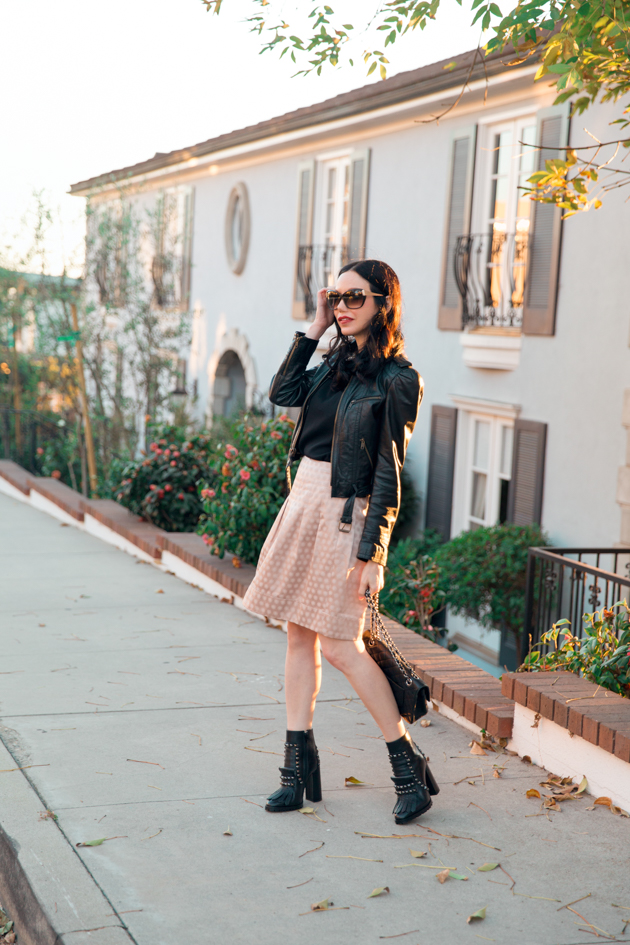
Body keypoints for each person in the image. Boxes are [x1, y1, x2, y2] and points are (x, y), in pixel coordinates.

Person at [242, 259, 439, 825]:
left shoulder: (398, 378)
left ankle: (407, 768)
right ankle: (296, 771)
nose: (344, 306)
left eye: (355, 297)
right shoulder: (330, 363)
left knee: (341, 646)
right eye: (337, 296)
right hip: (302, 499)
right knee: (297, 637)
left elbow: (389, 470)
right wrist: (314, 328)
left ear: (384, 303)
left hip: (345, 514)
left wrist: (373, 552)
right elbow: (283, 392)